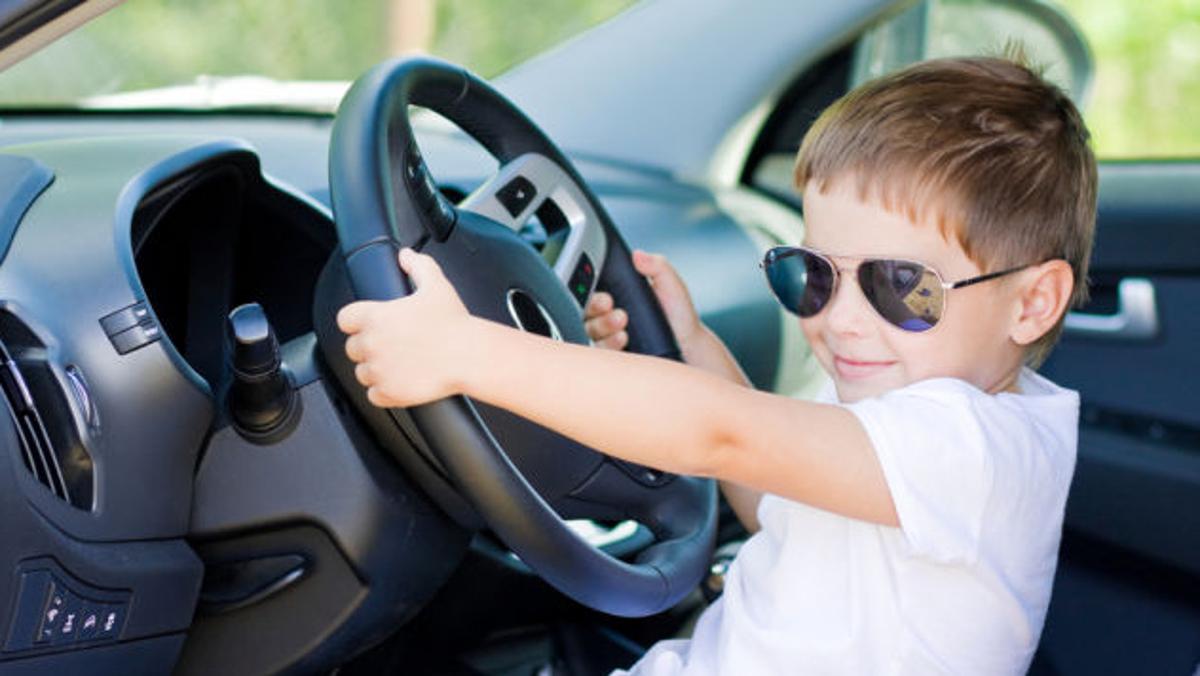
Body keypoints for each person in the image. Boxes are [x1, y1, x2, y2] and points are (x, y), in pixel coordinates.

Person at [336, 55, 1097, 674]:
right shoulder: (910, 413)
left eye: (900, 285)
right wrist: (691, 343)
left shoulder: (971, 450)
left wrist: (466, 353)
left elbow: (724, 436)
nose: (839, 319)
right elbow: (776, 499)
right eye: (815, 274)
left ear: (1032, 304)